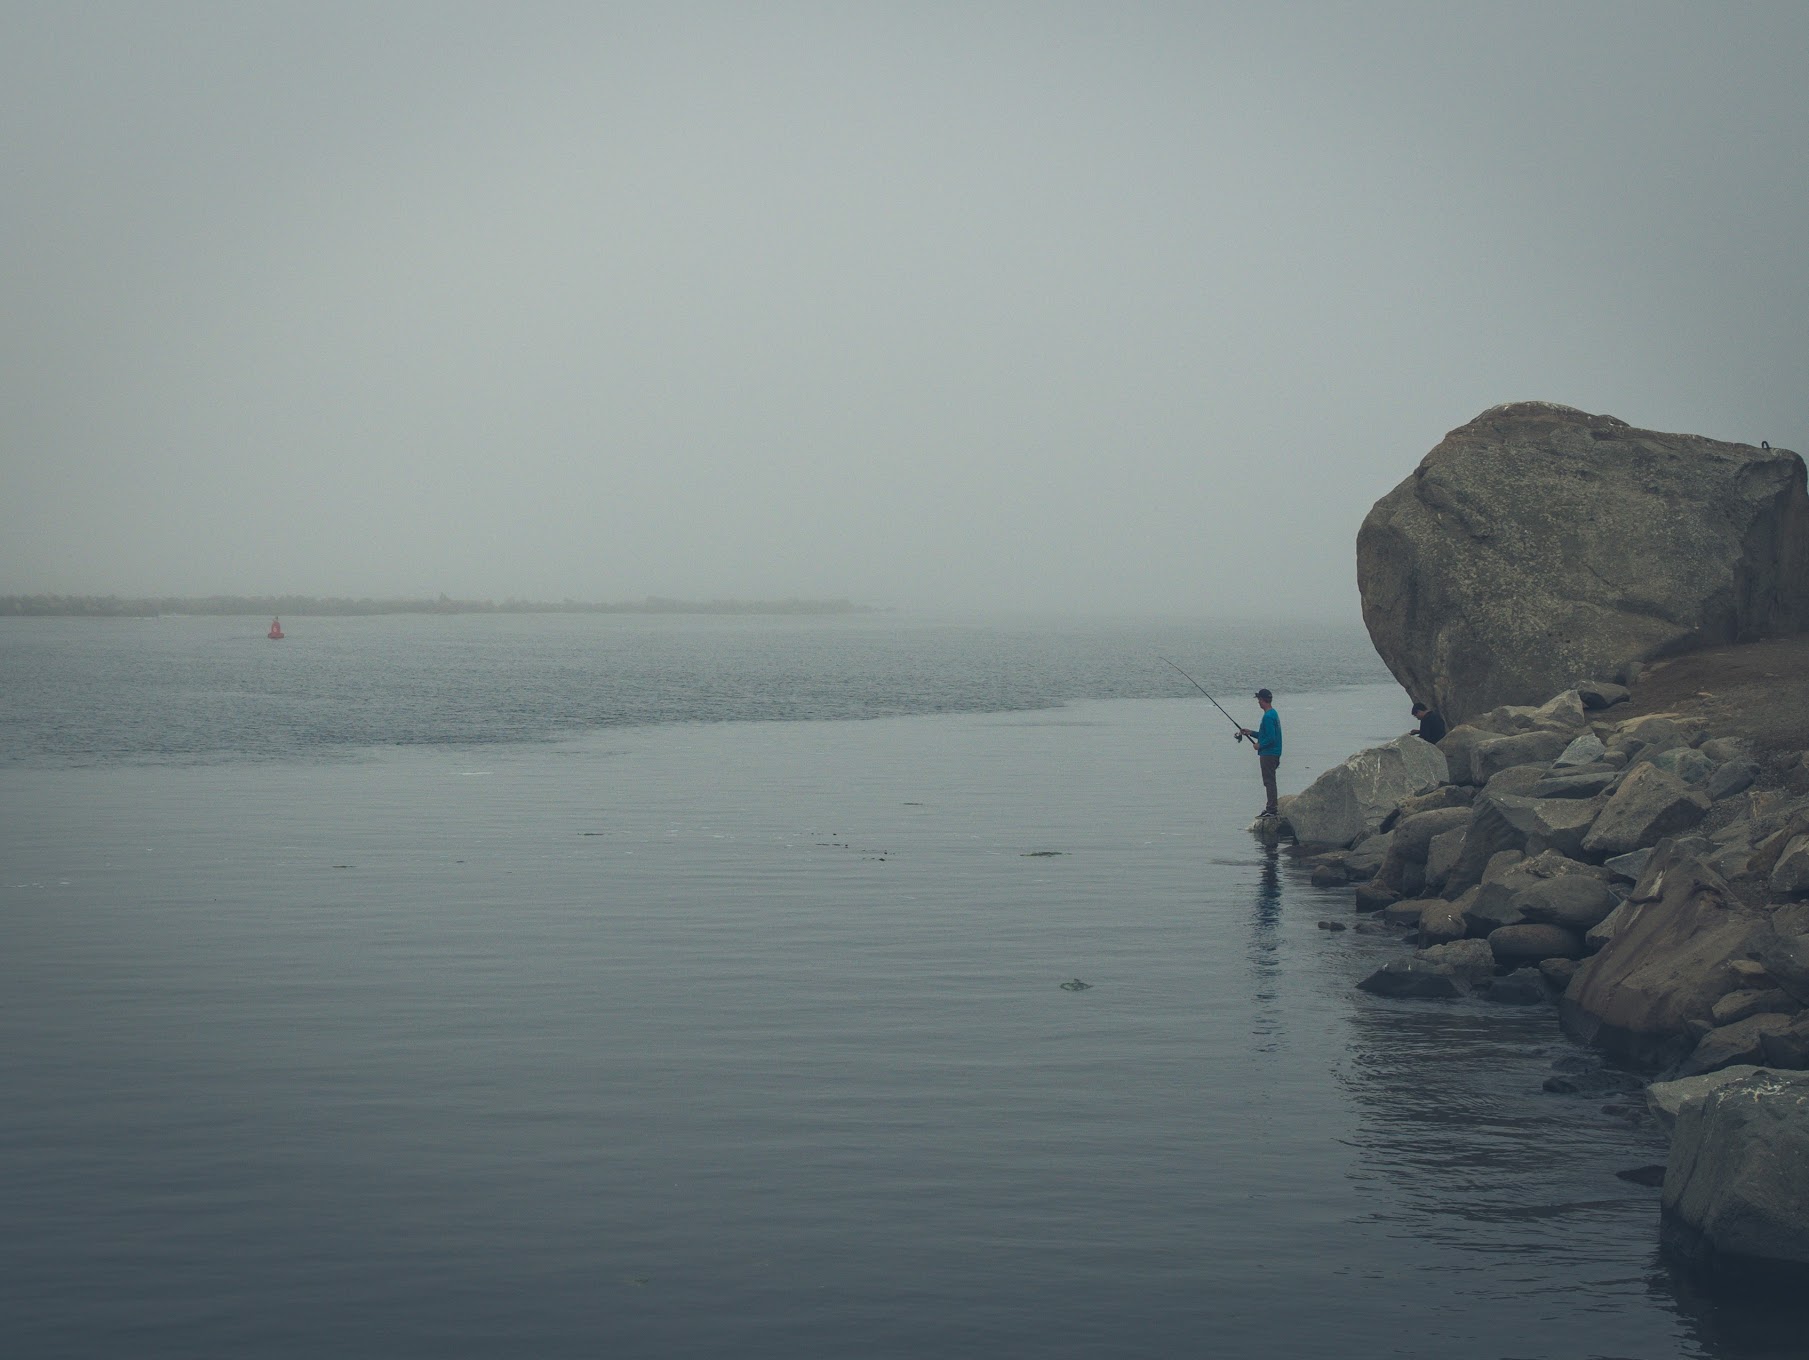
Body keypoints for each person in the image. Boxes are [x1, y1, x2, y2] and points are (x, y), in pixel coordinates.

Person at [1239, 688, 1283, 818]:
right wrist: (1250, 733)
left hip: (1269, 753)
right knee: (1270, 780)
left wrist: (1259, 745)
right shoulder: (1273, 713)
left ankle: (1271, 809)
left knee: (1269, 781)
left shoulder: (1268, 717)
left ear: (1262, 700)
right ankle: (1271, 807)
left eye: (1259, 699)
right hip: (1274, 752)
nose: (1258, 702)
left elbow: (1271, 738)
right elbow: (1266, 734)